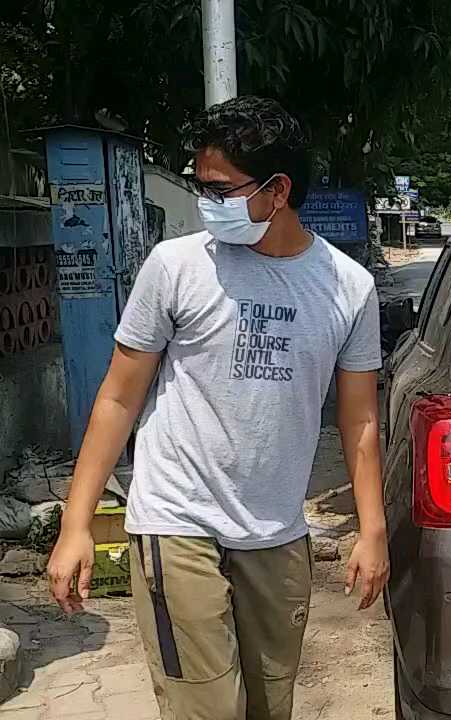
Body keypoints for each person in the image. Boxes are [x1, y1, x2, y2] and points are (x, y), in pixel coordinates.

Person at [45, 96, 389, 720]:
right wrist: (76, 526)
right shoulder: (176, 267)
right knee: (207, 711)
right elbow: (119, 396)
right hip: (177, 520)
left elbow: (360, 418)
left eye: (220, 189)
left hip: (276, 534)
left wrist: (372, 530)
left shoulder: (348, 286)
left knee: (268, 708)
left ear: (278, 190)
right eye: (199, 185)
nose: (207, 202)